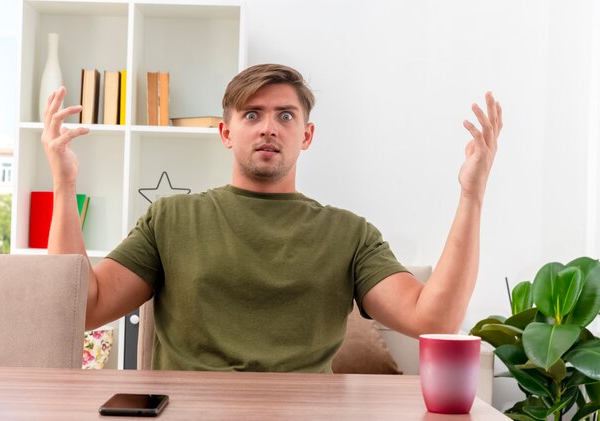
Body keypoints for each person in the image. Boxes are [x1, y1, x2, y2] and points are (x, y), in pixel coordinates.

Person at [41, 63, 502, 372]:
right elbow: (78, 309)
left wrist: (473, 194)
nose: (268, 127)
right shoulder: (171, 218)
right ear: (225, 132)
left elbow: (434, 320)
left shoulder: (349, 233)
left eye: (285, 115)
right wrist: (64, 185)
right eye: (252, 114)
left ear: (307, 135)